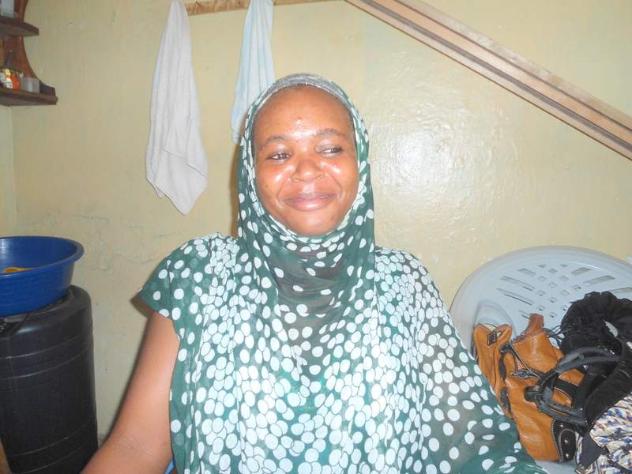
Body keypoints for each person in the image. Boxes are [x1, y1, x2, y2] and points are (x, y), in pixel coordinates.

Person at [85, 74, 546, 473]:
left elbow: (472, 440)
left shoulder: (402, 282)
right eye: (278, 154)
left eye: (329, 148)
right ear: (251, 174)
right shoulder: (200, 277)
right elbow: (135, 447)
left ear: (359, 161)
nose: (306, 169)